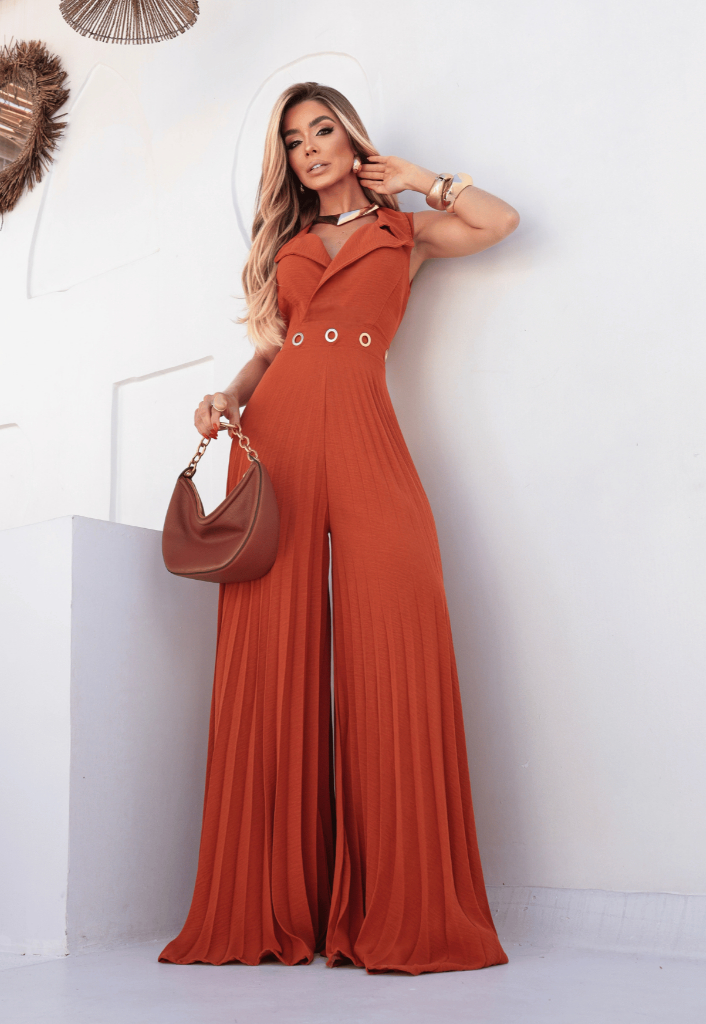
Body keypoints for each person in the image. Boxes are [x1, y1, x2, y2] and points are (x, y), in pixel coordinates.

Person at [159, 81, 519, 975]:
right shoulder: (285, 245)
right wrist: (226, 397)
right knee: (267, 647)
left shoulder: (404, 232)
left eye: (323, 130)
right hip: (277, 434)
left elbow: (499, 221)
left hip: (364, 429)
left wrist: (423, 179)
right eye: (293, 140)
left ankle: (399, 906)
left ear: (352, 139)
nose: (310, 148)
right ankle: (270, 906)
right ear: (285, 161)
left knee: (398, 622)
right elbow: (272, 347)